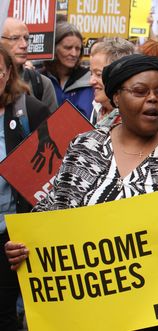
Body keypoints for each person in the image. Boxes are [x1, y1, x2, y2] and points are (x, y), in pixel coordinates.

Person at [4, 55, 158, 319]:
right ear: (117, 97)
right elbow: (53, 208)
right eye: (140, 91)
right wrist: (28, 244)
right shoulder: (85, 148)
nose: (153, 99)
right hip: (94, 311)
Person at [0, 44, 49, 331]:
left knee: (4, 311)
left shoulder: (30, 110)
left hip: (11, 235)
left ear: (8, 74)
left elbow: (51, 171)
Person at [0, 18, 57, 113]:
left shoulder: (42, 84)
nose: (24, 45)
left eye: (26, 38)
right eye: (15, 38)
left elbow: (53, 126)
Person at [42, 22, 94, 119]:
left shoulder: (89, 80)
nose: (74, 53)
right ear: (54, 48)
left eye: (77, 49)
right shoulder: (39, 79)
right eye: (68, 48)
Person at [88, 37, 135, 128]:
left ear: (120, 75)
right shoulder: (97, 108)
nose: (91, 81)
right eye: (91, 73)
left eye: (98, 74)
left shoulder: (136, 118)